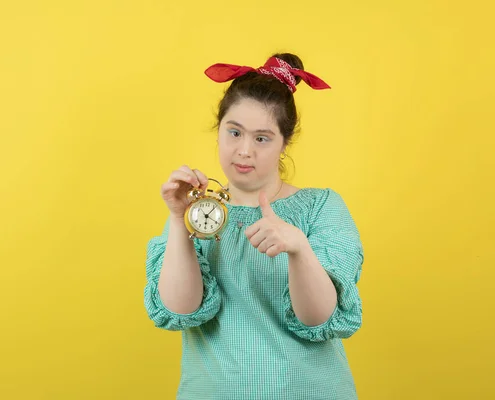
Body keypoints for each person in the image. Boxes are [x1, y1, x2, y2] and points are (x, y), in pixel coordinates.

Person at [143, 53, 364, 399]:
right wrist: (176, 217)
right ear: (219, 132)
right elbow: (179, 309)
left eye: (261, 138)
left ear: (283, 144)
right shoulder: (198, 211)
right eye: (234, 132)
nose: (244, 150)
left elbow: (318, 319)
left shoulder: (322, 208)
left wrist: (298, 248)